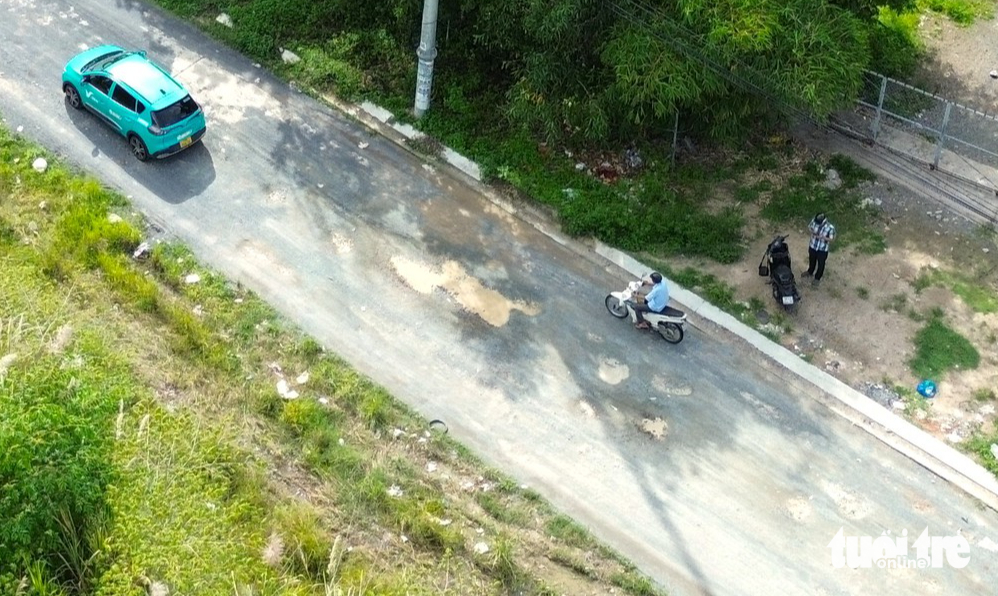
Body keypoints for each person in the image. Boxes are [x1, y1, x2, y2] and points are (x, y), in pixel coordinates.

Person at [803, 212, 835, 287]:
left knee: (821, 264)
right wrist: (812, 231)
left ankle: (817, 278)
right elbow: (809, 227)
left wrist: (823, 237)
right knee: (811, 260)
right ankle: (810, 271)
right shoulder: (814, 221)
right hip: (813, 245)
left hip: (822, 249)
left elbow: (832, 239)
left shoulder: (830, 228)